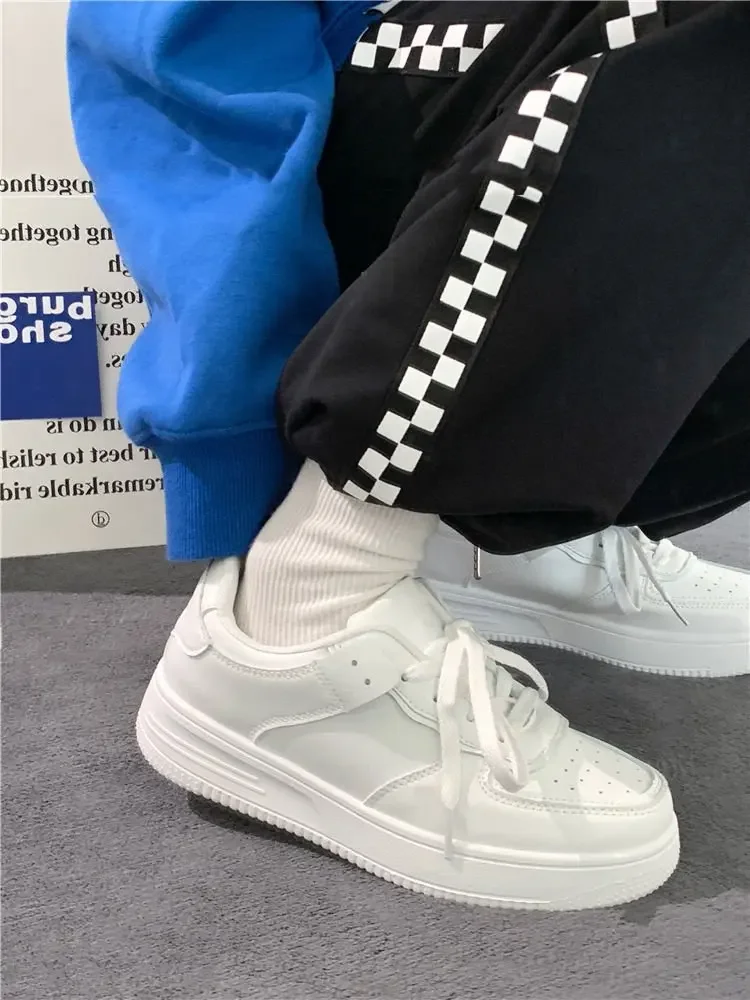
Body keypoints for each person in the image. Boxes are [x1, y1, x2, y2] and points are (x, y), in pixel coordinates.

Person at [67, 0, 750, 909]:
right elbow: (183, 76)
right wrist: (244, 460)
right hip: (334, 124)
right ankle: (301, 615)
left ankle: (498, 530)